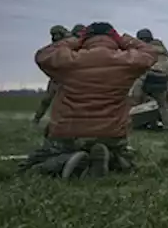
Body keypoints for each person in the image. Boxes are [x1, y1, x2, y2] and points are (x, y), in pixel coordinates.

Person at [18, 22, 156, 179]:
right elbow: (149, 52)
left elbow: (43, 54)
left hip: (68, 134)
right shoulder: (126, 61)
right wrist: (123, 40)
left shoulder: (68, 60)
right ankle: (111, 158)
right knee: (121, 153)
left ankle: (67, 159)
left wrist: (75, 40)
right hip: (111, 133)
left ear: (85, 38)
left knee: (35, 163)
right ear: (113, 38)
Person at [129, 28, 168, 130]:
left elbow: (138, 67)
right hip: (163, 80)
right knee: (164, 106)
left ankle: (135, 123)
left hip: (148, 77)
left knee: (138, 100)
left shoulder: (143, 50)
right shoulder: (164, 52)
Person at [32, 25, 69, 127]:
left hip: (66, 78)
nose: (56, 37)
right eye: (54, 35)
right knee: (47, 100)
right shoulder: (55, 46)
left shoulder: (70, 44)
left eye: (58, 34)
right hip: (56, 77)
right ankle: (36, 119)